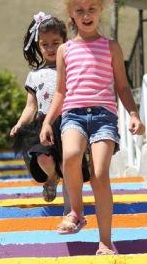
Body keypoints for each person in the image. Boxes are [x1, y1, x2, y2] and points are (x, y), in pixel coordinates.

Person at [40, 0, 145, 256]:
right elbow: (61, 92)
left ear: (100, 10)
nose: (86, 15)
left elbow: (122, 86)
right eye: (80, 10)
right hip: (73, 114)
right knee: (71, 156)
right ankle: (76, 211)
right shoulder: (65, 50)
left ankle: (106, 240)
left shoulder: (111, 46)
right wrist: (49, 121)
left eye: (92, 9)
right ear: (70, 15)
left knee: (99, 174)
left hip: (104, 117)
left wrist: (133, 114)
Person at [10, 12, 90, 207]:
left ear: (65, 41)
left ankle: (71, 210)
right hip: (44, 125)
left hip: (69, 122)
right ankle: (52, 176)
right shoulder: (35, 75)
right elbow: (31, 106)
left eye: (56, 42)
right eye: (45, 44)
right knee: (43, 158)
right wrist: (20, 123)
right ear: (38, 46)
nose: (51, 48)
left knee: (68, 165)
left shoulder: (72, 68)